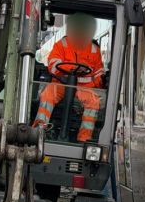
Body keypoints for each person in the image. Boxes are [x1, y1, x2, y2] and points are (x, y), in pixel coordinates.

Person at [32, 13, 105, 142]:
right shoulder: (62, 44)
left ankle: (84, 139)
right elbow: (53, 64)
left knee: (94, 101)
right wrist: (70, 69)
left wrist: (96, 83)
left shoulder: (94, 49)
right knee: (47, 94)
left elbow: (99, 72)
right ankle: (39, 131)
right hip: (61, 84)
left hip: (84, 89)